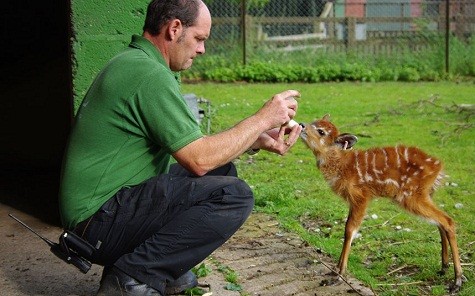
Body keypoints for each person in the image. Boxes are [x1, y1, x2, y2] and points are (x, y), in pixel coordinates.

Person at [59, 0, 302, 295]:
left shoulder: (137, 63)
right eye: (199, 39)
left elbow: (198, 151)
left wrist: (258, 138)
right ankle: (131, 277)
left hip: (103, 212)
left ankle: (154, 265)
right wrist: (263, 118)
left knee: (223, 171)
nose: (201, 49)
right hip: (96, 223)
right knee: (232, 196)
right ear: (174, 29)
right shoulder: (148, 75)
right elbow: (198, 159)